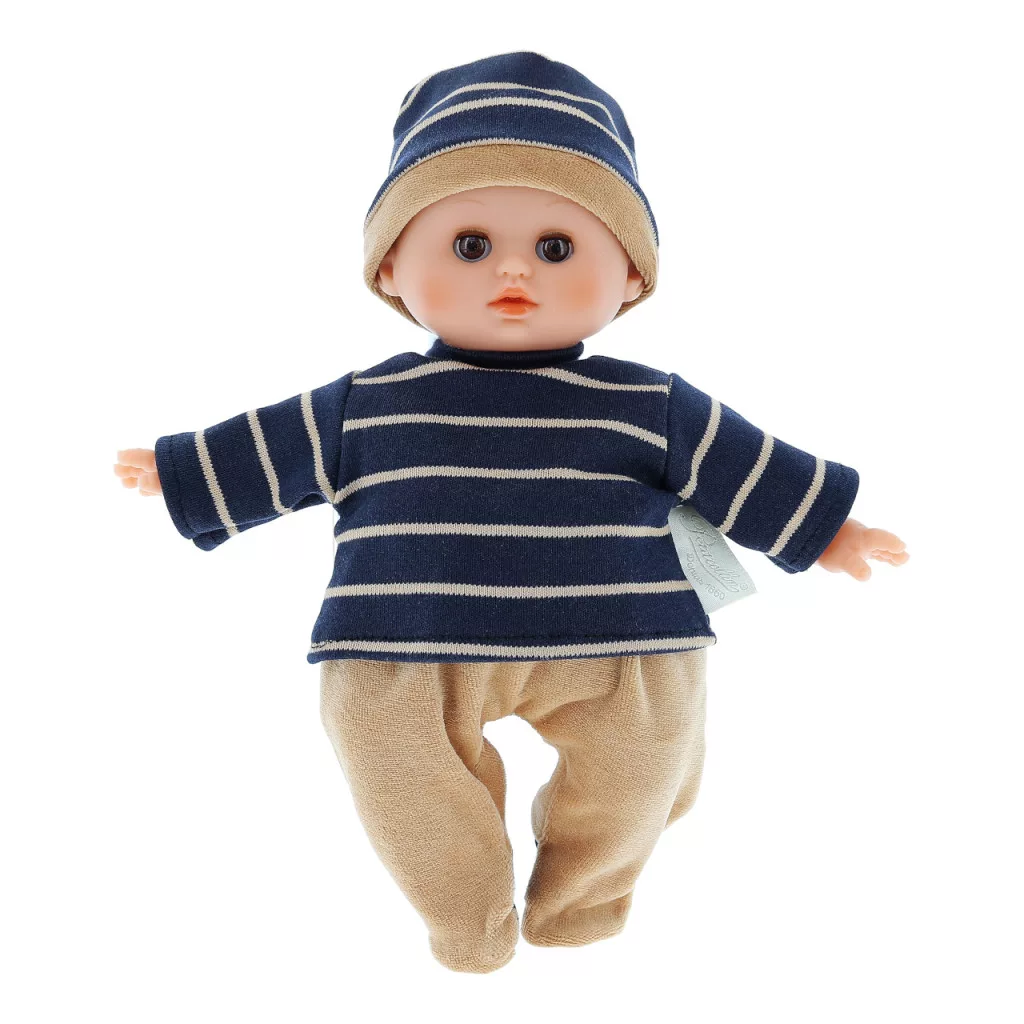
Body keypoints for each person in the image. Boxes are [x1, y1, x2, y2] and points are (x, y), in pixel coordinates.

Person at [114, 51, 909, 974]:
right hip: (402, 642)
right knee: (393, 770)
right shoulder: (366, 405)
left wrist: (829, 531)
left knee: (644, 766)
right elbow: (269, 448)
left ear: (631, 276)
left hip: (623, 641)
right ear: (390, 267)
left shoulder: (649, 403)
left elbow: (743, 468)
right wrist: (187, 471)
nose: (515, 271)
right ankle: (464, 910)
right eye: (469, 245)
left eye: (558, 248)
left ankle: (583, 895)